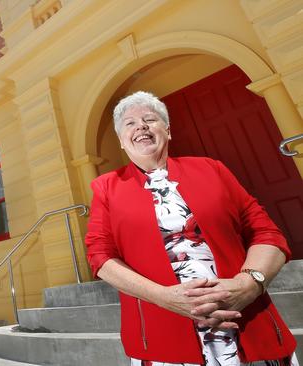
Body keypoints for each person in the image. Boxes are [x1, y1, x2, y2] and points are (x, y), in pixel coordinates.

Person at [84, 91, 298, 365]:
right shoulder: (106, 187)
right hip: (165, 333)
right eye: (130, 123)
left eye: (150, 119)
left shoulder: (212, 169)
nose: (141, 126)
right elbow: (100, 256)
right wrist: (163, 297)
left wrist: (248, 285)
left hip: (246, 322)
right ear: (122, 143)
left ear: (168, 131)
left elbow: (266, 232)